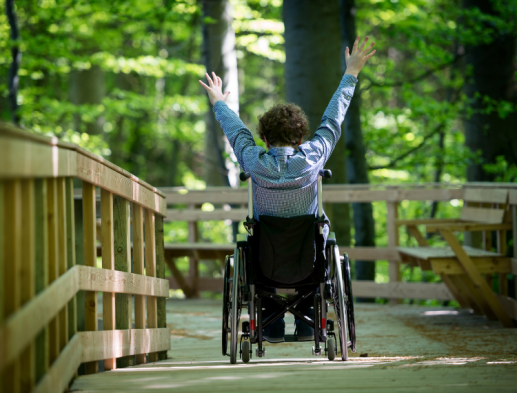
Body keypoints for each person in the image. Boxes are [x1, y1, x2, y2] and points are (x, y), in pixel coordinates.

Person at [200, 36, 376, 343]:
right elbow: (334, 119)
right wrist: (352, 72)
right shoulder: (313, 156)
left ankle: (271, 327)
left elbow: (236, 131)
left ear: (265, 140)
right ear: (301, 138)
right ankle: (309, 326)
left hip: (265, 262)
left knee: (257, 246)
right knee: (316, 242)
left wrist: (218, 102)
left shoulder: (253, 160)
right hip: (308, 258)